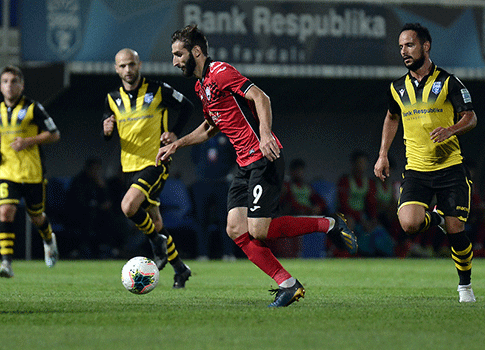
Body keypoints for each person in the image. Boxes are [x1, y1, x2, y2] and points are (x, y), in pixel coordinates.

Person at [156, 25, 358, 307]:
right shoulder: (201, 86)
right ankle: (288, 284)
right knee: (236, 229)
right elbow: (209, 126)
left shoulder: (221, 72)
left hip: (264, 157)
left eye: (179, 54)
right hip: (243, 164)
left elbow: (261, 97)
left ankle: (330, 224)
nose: (175, 61)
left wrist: (265, 134)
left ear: (196, 51)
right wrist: (177, 143)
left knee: (259, 230)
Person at [374, 23, 478, 302]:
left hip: (450, 168)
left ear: (426, 46)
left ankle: (465, 286)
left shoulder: (448, 81)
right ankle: (438, 218)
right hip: (417, 169)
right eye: (400, 47)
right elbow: (392, 117)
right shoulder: (397, 87)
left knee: (457, 231)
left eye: (409, 45)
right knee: (408, 224)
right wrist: (383, 154)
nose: (404, 52)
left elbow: (471, 117)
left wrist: (451, 130)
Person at [103, 48, 194, 288]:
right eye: (122, 66)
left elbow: (187, 106)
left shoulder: (157, 89)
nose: (128, 70)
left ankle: (155, 242)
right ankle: (180, 269)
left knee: (127, 205)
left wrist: (174, 132)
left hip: (156, 161)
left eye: (131, 64)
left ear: (139, 64)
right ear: (116, 68)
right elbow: (108, 130)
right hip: (129, 167)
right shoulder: (112, 99)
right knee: (156, 221)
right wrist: (107, 131)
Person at [0, 65, 60, 277]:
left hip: (33, 173)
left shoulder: (33, 108)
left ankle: (48, 239)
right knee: (5, 211)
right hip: (6, 173)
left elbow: (54, 134)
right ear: (0, 86)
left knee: (36, 217)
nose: (10, 85)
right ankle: (6, 263)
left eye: (14, 81)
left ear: (22, 85)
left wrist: (29, 141)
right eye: (5, 81)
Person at [338, 151, 394, 257]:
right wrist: (360, 218)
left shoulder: (369, 182)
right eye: (359, 163)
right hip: (348, 215)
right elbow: (343, 205)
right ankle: (347, 253)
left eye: (364, 163)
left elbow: (371, 203)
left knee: (377, 228)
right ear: (353, 164)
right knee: (349, 222)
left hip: (363, 216)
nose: (361, 166)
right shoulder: (345, 180)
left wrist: (372, 219)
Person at [190, 133, 237, 260]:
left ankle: (228, 253)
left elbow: (233, 157)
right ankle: (202, 254)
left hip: (222, 182)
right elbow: (194, 157)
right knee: (202, 219)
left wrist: (224, 170)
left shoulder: (226, 137)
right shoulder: (200, 137)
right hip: (203, 183)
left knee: (225, 219)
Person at [65, 157, 117, 259]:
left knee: (110, 216)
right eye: (94, 169)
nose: (96, 172)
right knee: (89, 217)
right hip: (78, 214)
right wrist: (97, 206)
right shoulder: (79, 182)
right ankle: (84, 248)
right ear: (88, 168)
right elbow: (78, 204)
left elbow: (107, 201)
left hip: (97, 214)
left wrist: (103, 188)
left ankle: (108, 247)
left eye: (98, 169)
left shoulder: (99, 183)